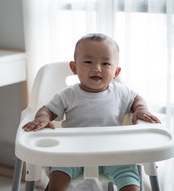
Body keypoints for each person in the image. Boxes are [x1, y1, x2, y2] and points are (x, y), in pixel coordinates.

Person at [23, 33, 161, 191]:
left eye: (106, 64)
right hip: (72, 152)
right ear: (74, 68)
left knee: (131, 183)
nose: (97, 68)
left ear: (116, 71)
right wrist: (42, 118)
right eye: (88, 62)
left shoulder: (122, 92)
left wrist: (141, 109)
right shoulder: (69, 94)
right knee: (58, 177)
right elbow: (47, 109)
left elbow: (137, 98)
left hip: (114, 153)